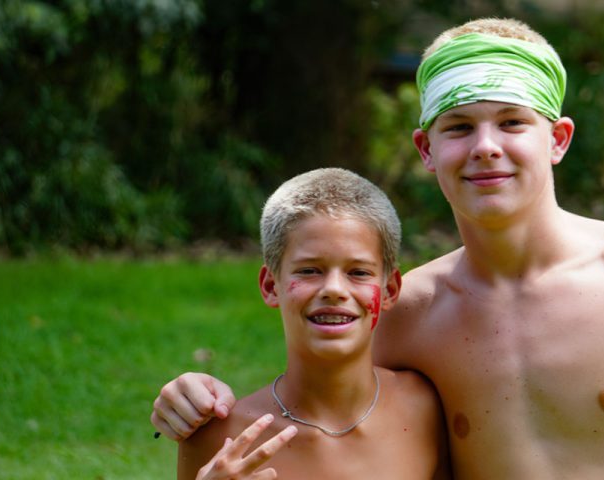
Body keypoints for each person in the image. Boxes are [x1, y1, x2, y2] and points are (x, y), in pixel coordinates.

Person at [153, 18, 604, 479]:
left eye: (512, 121)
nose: (486, 148)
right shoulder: (406, 312)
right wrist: (196, 397)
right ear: (425, 149)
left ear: (558, 139)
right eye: (459, 127)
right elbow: (319, 411)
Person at [176, 168, 448, 479]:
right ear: (270, 286)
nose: (333, 289)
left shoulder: (424, 408)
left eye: (358, 272)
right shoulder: (223, 436)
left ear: (389, 290)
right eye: (309, 271)